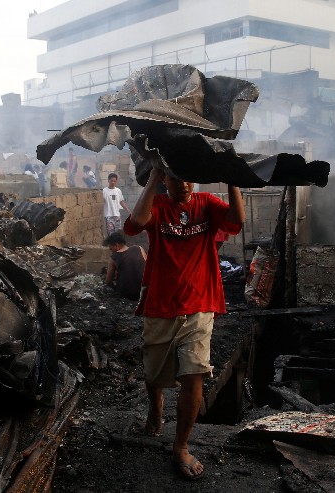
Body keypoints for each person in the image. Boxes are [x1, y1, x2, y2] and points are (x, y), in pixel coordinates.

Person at [124, 166, 243, 481]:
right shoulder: (159, 207)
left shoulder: (206, 203)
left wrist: (233, 179)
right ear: (166, 180)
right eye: (176, 177)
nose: (185, 184)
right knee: (154, 374)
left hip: (199, 303)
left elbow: (236, 222)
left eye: (190, 176)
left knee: (195, 374)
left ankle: (181, 446)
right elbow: (135, 223)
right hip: (160, 306)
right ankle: (156, 407)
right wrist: (153, 176)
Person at [102, 232, 146, 300]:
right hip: (144, 292)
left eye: (111, 248)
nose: (111, 251)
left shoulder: (113, 258)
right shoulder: (139, 248)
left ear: (116, 245)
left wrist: (115, 288)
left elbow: (108, 281)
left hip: (126, 295)